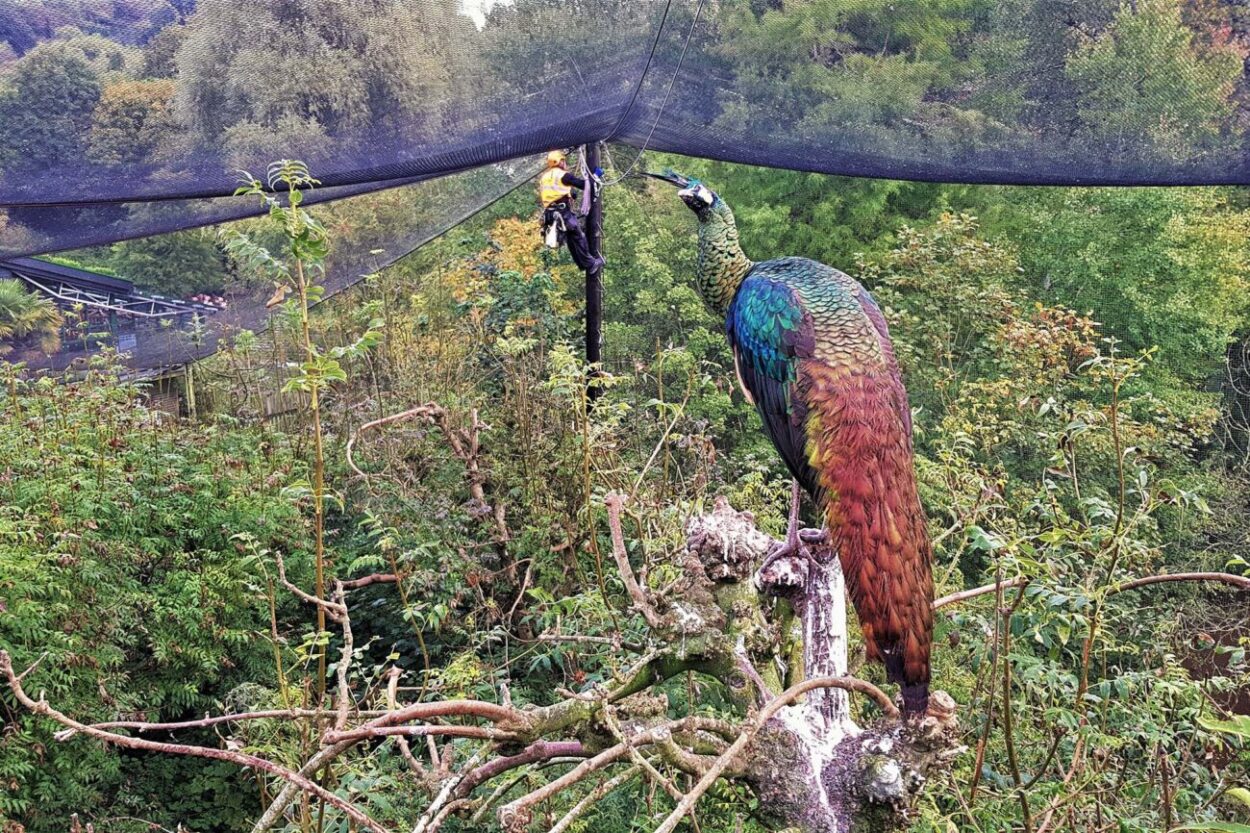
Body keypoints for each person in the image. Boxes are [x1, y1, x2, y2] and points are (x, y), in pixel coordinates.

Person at [539, 150, 604, 272]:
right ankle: (591, 264)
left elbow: (553, 192)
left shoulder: (545, 177)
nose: (565, 163)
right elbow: (585, 185)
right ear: (560, 161)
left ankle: (583, 264)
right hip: (563, 214)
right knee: (579, 237)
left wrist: (569, 194)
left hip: (550, 214)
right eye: (563, 161)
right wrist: (595, 176)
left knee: (571, 239)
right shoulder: (563, 175)